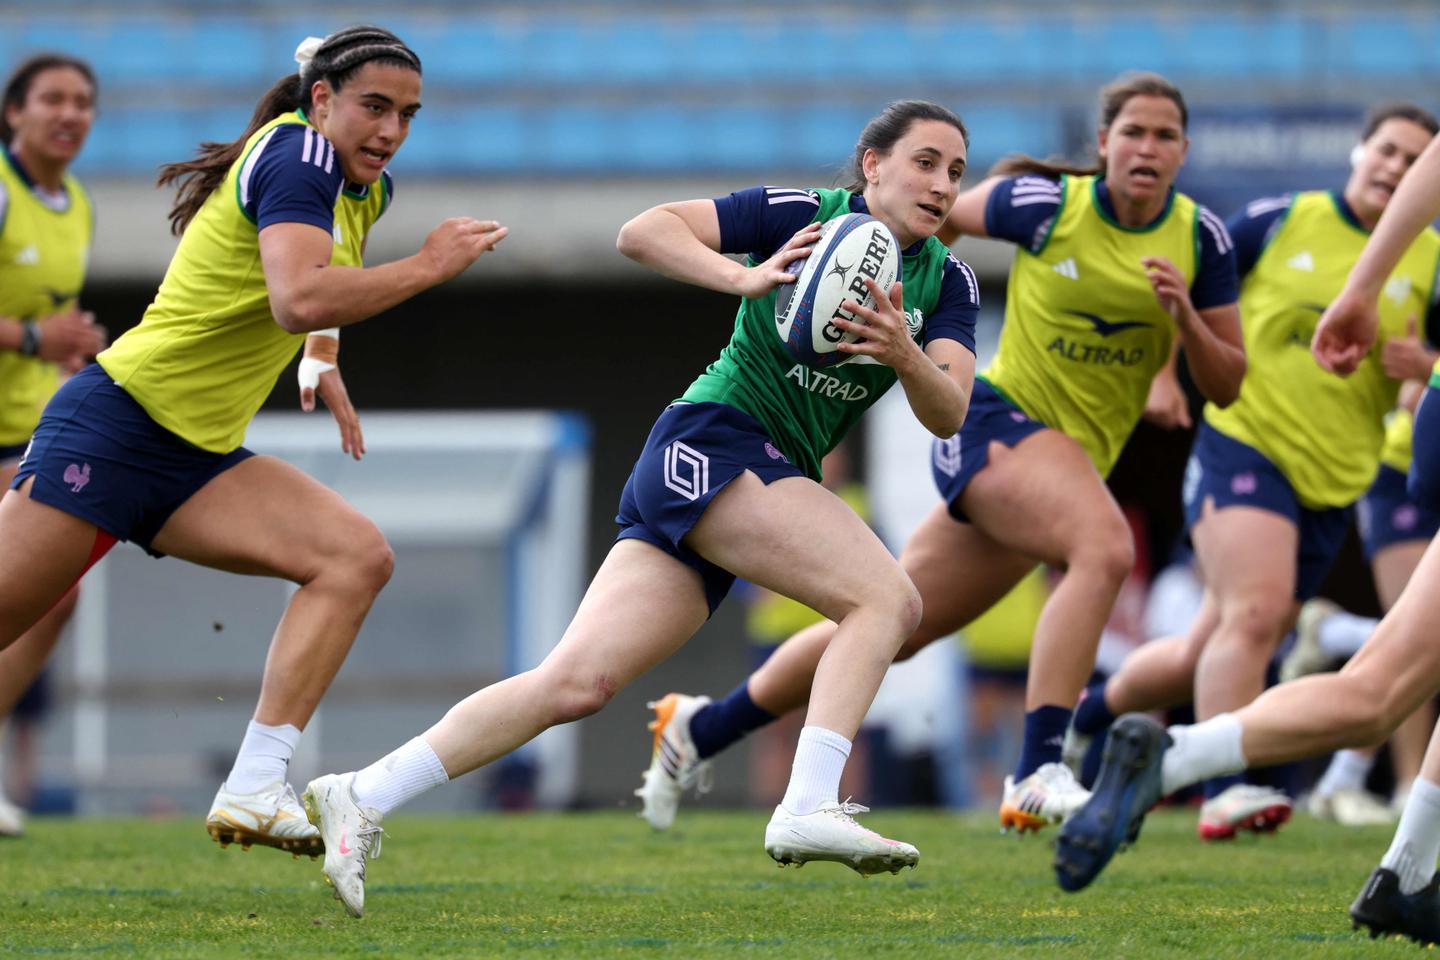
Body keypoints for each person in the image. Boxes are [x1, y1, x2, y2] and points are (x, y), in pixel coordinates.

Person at [300, 99, 980, 917]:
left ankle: (362, 793)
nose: (941, 184)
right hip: (715, 438)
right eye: (925, 162)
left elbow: (948, 410)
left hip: (751, 471)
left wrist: (904, 350)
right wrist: (746, 274)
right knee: (887, 598)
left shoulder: (950, 281)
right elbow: (643, 230)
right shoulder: (803, 213)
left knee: (574, 684)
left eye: (956, 172)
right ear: (873, 164)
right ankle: (806, 805)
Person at [632, 71, 1245, 836]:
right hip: (999, 426)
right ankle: (1040, 770)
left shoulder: (1201, 240)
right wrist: (899, 292)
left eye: (1163, 136)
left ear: (1184, 151)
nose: (1147, 148)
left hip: (1057, 463)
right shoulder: (1044, 205)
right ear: (1103, 144)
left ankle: (701, 728)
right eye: (1133, 132)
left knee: (894, 623)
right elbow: (940, 234)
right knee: (1104, 545)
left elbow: (1228, 381)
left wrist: (1179, 332)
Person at [0, 26, 507, 856]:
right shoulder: (298, 156)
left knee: (354, 557)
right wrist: (430, 265)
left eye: (408, 115)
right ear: (320, 100)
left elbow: (318, 296)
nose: (390, 131)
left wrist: (323, 359)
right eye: (374, 107)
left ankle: (255, 788)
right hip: (118, 423)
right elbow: (298, 296)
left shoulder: (360, 188)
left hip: (194, 458)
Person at [1053, 129, 1440, 949]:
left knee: (1371, 689)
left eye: (1413, 156)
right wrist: (1165, 374)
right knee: (1255, 618)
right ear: (1357, 151)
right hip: (1247, 446)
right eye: (1386, 150)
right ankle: (1218, 784)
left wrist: (1375, 302)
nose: (1398, 167)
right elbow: (1178, 293)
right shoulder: (1279, 219)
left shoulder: (1425, 251)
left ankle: (1405, 871)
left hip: (1351, 464)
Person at [0, 54, 108, 836]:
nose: (69, 113)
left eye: (83, 102)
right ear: (14, 113)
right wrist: (36, 334)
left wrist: (71, 348)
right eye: (52, 99)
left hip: (24, 423)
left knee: (54, 590)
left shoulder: (74, 203)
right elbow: (35, 325)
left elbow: (53, 318)